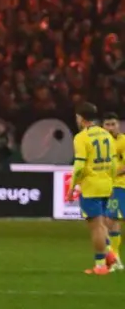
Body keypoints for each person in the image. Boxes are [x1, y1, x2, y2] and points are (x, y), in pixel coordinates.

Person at [67, 102, 117, 275]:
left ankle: (100, 265)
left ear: (81, 118)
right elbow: (113, 163)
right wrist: (111, 183)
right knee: (101, 224)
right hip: (106, 183)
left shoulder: (81, 138)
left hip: (91, 186)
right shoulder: (107, 135)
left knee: (95, 226)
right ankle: (109, 255)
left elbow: (79, 167)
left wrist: (71, 187)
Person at [105, 112, 125, 270]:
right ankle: (116, 258)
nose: (110, 127)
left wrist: (109, 174)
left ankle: (113, 257)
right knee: (114, 220)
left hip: (119, 185)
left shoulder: (123, 141)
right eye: (107, 124)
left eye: (113, 124)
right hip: (103, 185)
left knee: (109, 220)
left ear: (118, 125)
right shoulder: (102, 142)